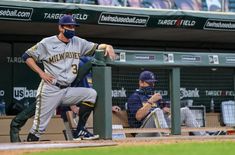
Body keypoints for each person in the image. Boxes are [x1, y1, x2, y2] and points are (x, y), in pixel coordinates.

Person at [21, 14, 115, 142]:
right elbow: (27, 56)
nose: (72, 29)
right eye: (69, 26)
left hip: (67, 90)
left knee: (91, 94)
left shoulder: (78, 42)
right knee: (38, 129)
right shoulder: (47, 42)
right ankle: (28, 147)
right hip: (50, 89)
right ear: (60, 27)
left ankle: (80, 130)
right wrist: (41, 73)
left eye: (73, 26)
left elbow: (97, 47)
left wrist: (107, 46)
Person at [127, 70, 207, 137]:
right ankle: (166, 138)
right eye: (150, 83)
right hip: (142, 132)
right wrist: (151, 101)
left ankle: (204, 136)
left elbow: (167, 111)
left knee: (184, 111)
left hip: (160, 127)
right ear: (141, 83)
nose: (152, 85)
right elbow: (138, 117)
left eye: (153, 83)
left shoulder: (154, 96)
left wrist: (167, 110)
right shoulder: (134, 97)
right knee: (157, 111)